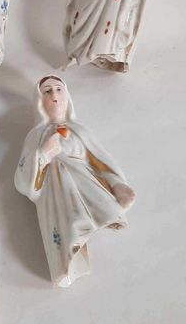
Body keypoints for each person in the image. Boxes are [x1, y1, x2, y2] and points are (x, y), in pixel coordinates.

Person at [15, 75, 135, 288]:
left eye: (59, 89)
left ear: (67, 96)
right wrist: (43, 155)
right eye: (47, 91)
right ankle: (68, 263)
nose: (54, 95)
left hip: (87, 188)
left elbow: (100, 162)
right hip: (57, 197)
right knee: (68, 232)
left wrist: (117, 185)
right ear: (40, 101)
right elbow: (22, 179)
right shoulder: (35, 136)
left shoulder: (80, 131)